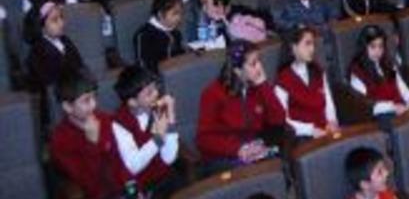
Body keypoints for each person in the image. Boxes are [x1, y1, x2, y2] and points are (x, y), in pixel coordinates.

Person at [196, 40, 287, 166]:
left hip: (254, 148)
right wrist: (238, 149)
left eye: (259, 61)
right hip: (225, 155)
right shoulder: (212, 94)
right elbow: (204, 139)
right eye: (253, 64)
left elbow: (279, 119)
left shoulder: (258, 87)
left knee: (280, 164)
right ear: (238, 71)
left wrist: (264, 86)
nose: (260, 67)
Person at [50, 70, 127, 199]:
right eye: (86, 100)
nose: (93, 104)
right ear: (68, 107)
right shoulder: (60, 140)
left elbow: (122, 161)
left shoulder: (104, 119)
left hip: (120, 191)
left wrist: (133, 187)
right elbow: (89, 183)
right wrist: (92, 144)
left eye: (94, 97)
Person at [112, 65, 180, 196]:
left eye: (155, 88)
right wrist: (158, 139)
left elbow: (169, 158)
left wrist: (170, 115)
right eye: (149, 93)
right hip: (138, 187)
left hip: (163, 178)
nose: (156, 94)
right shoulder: (119, 124)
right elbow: (134, 165)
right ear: (132, 102)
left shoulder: (157, 110)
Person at [276, 27, 340, 138]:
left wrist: (332, 121)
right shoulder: (283, 80)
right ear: (294, 47)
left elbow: (328, 102)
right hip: (303, 136)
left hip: (326, 130)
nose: (312, 49)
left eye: (313, 44)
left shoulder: (318, 71)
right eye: (307, 44)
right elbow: (283, 121)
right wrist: (310, 130)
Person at [349, 25, 409, 120]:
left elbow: (401, 86)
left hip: (402, 109)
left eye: (380, 46)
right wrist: (391, 107)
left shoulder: (388, 64)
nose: (377, 51)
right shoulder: (358, 72)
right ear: (364, 47)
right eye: (373, 46)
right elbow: (364, 105)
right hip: (381, 115)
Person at [26, 2, 84, 89]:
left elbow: (79, 64)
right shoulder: (37, 51)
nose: (61, 23)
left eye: (61, 18)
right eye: (54, 20)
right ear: (41, 26)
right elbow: (48, 82)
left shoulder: (65, 40)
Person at [195, 0, 270, 49]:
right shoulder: (209, 21)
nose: (203, 9)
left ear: (219, 2)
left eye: (205, 3)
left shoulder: (243, 16)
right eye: (202, 5)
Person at [133, 0, 185, 72]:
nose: (179, 18)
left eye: (180, 13)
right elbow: (144, 68)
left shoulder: (176, 33)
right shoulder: (144, 35)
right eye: (175, 14)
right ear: (160, 14)